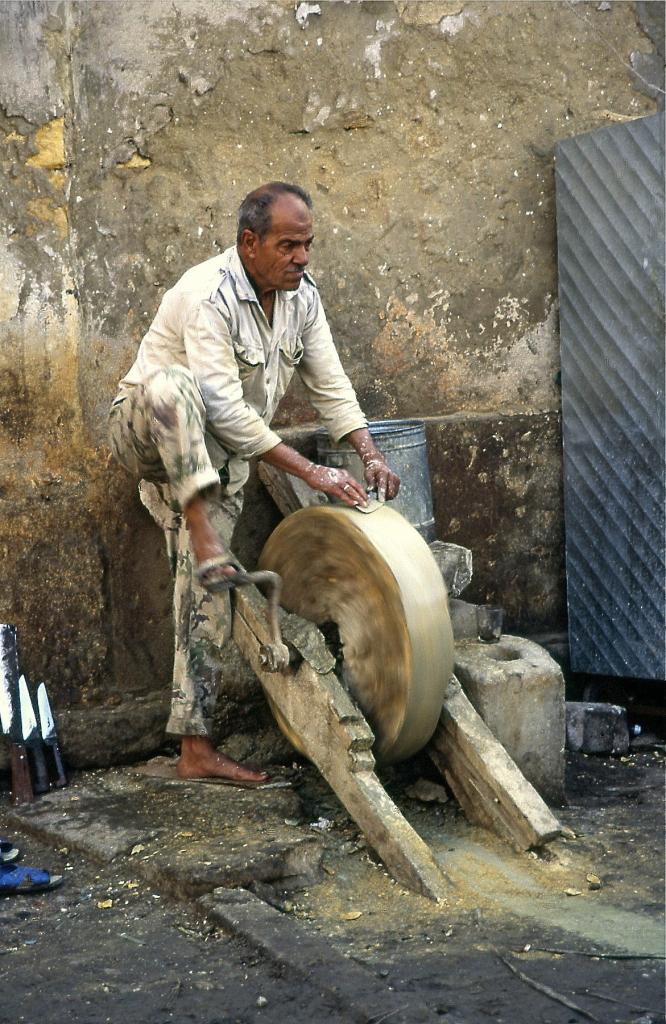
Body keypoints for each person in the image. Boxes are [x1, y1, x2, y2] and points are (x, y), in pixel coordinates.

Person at [109, 182, 400, 783]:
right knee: (174, 386)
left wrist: (367, 453)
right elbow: (222, 408)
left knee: (208, 591)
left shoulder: (302, 299)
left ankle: (194, 748)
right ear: (249, 242)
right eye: (289, 245)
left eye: (308, 245)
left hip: (219, 463)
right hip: (145, 428)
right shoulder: (207, 294)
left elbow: (331, 386)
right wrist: (313, 471)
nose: (302, 258)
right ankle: (200, 525)